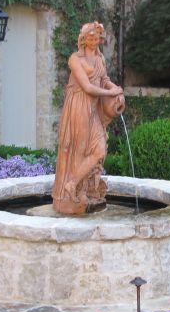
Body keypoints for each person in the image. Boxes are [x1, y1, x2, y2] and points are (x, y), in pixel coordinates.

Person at [52, 21, 125, 214]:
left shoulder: (100, 59)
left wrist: (114, 89)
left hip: (93, 108)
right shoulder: (75, 59)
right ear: (83, 39)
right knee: (80, 149)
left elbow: (104, 80)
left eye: (97, 38)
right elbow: (87, 87)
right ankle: (76, 192)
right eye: (90, 38)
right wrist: (110, 94)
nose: (94, 41)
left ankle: (73, 183)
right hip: (78, 106)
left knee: (99, 150)